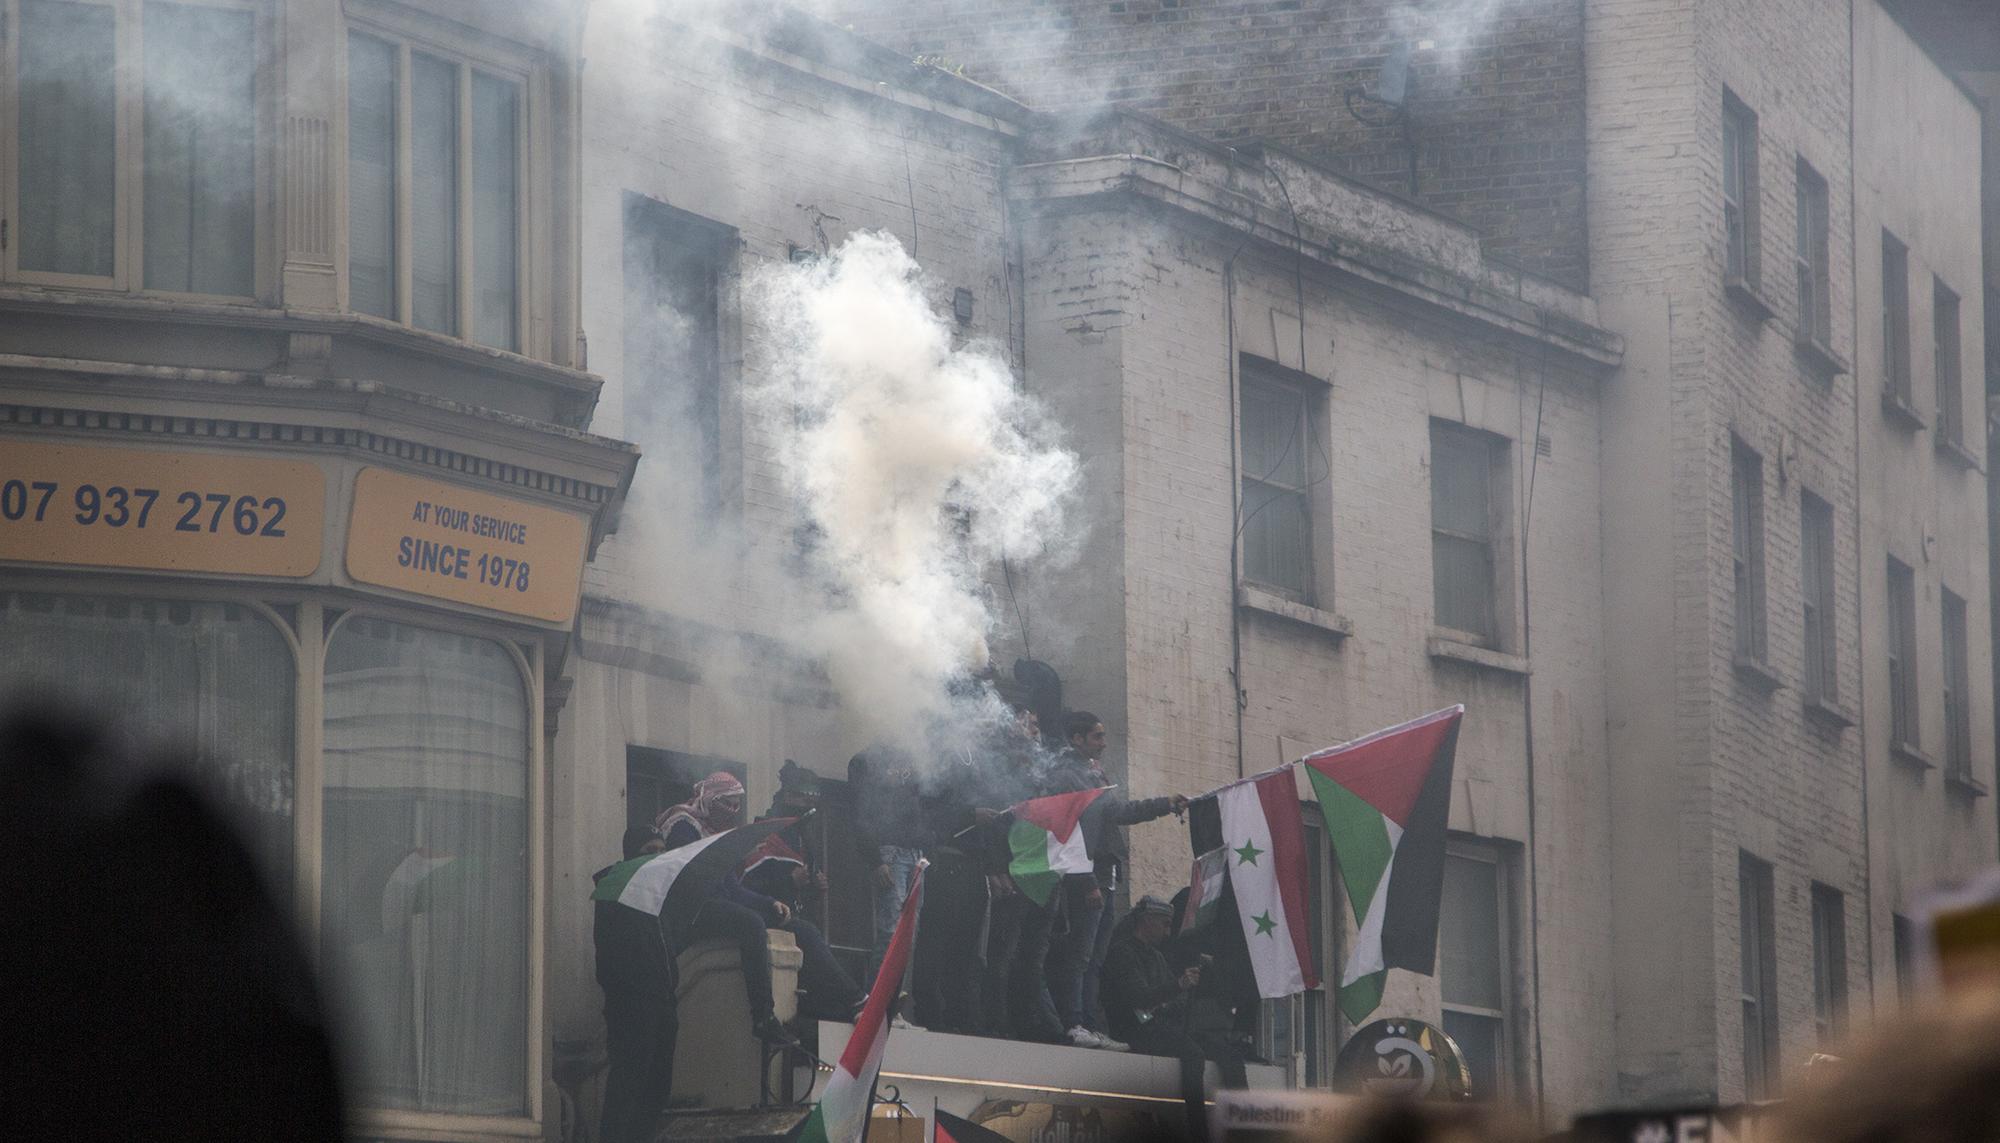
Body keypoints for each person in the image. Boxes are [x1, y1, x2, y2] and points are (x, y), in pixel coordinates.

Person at [657, 772, 861, 1038]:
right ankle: (763, 1016)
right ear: (709, 798)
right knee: (750, 923)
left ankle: (855, 1000)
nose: (732, 810)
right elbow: (690, 877)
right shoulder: (683, 824)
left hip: (718, 902)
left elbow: (732, 888)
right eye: (726, 803)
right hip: (691, 910)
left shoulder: (719, 834)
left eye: (736, 804)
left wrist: (770, 903)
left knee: (802, 929)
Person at [1044, 710, 1188, 1049]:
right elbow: (1069, 835)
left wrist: (1163, 805)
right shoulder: (1068, 777)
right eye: (1097, 736)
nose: (1104, 743)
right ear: (1076, 739)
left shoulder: (1093, 774)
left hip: (1105, 874)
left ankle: (1089, 1023)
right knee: (1079, 955)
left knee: (1095, 957)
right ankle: (1073, 1022)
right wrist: (1086, 882)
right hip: (1087, 876)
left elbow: (1118, 812)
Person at [1102, 895, 1246, 1141]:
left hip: (1165, 1028)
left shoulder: (1156, 957)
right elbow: (1140, 997)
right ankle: (1197, 1129)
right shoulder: (1122, 953)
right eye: (1164, 924)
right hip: (1135, 1031)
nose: (1168, 932)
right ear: (1146, 921)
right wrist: (1179, 985)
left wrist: (1185, 989)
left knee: (1229, 1055)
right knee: (1193, 1053)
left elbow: (1171, 999)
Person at [593, 827, 676, 1143]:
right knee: (629, 1087)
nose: (657, 856)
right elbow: (611, 958)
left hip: (664, 1003)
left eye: (661, 849)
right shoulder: (615, 892)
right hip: (633, 1006)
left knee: (656, 1090)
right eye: (649, 849)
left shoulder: (660, 896)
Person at [849, 746, 929, 986]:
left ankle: (893, 1004)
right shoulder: (865, 760)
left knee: (908, 935)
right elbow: (860, 813)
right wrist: (875, 859)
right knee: (892, 933)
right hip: (890, 853)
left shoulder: (913, 755)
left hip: (916, 856)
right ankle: (877, 1005)